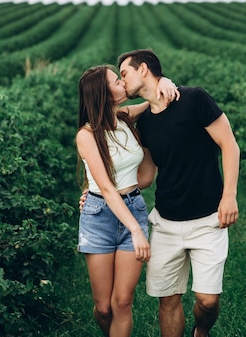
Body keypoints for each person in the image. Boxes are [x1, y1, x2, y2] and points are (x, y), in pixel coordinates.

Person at [117, 48, 240, 337]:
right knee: (168, 300)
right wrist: (99, 191)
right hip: (166, 223)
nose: (122, 82)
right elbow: (146, 177)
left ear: (143, 69)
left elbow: (229, 145)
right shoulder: (144, 121)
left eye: (124, 74)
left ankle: (202, 330)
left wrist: (229, 195)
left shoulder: (194, 99)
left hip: (209, 219)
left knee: (207, 301)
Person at [76, 64, 178, 337]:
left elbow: (153, 99)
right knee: (104, 308)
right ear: (102, 93)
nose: (123, 82)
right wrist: (135, 229)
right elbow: (108, 190)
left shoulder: (124, 117)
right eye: (116, 80)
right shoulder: (86, 136)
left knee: (122, 302)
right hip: (99, 216)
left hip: (132, 204)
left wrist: (164, 81)